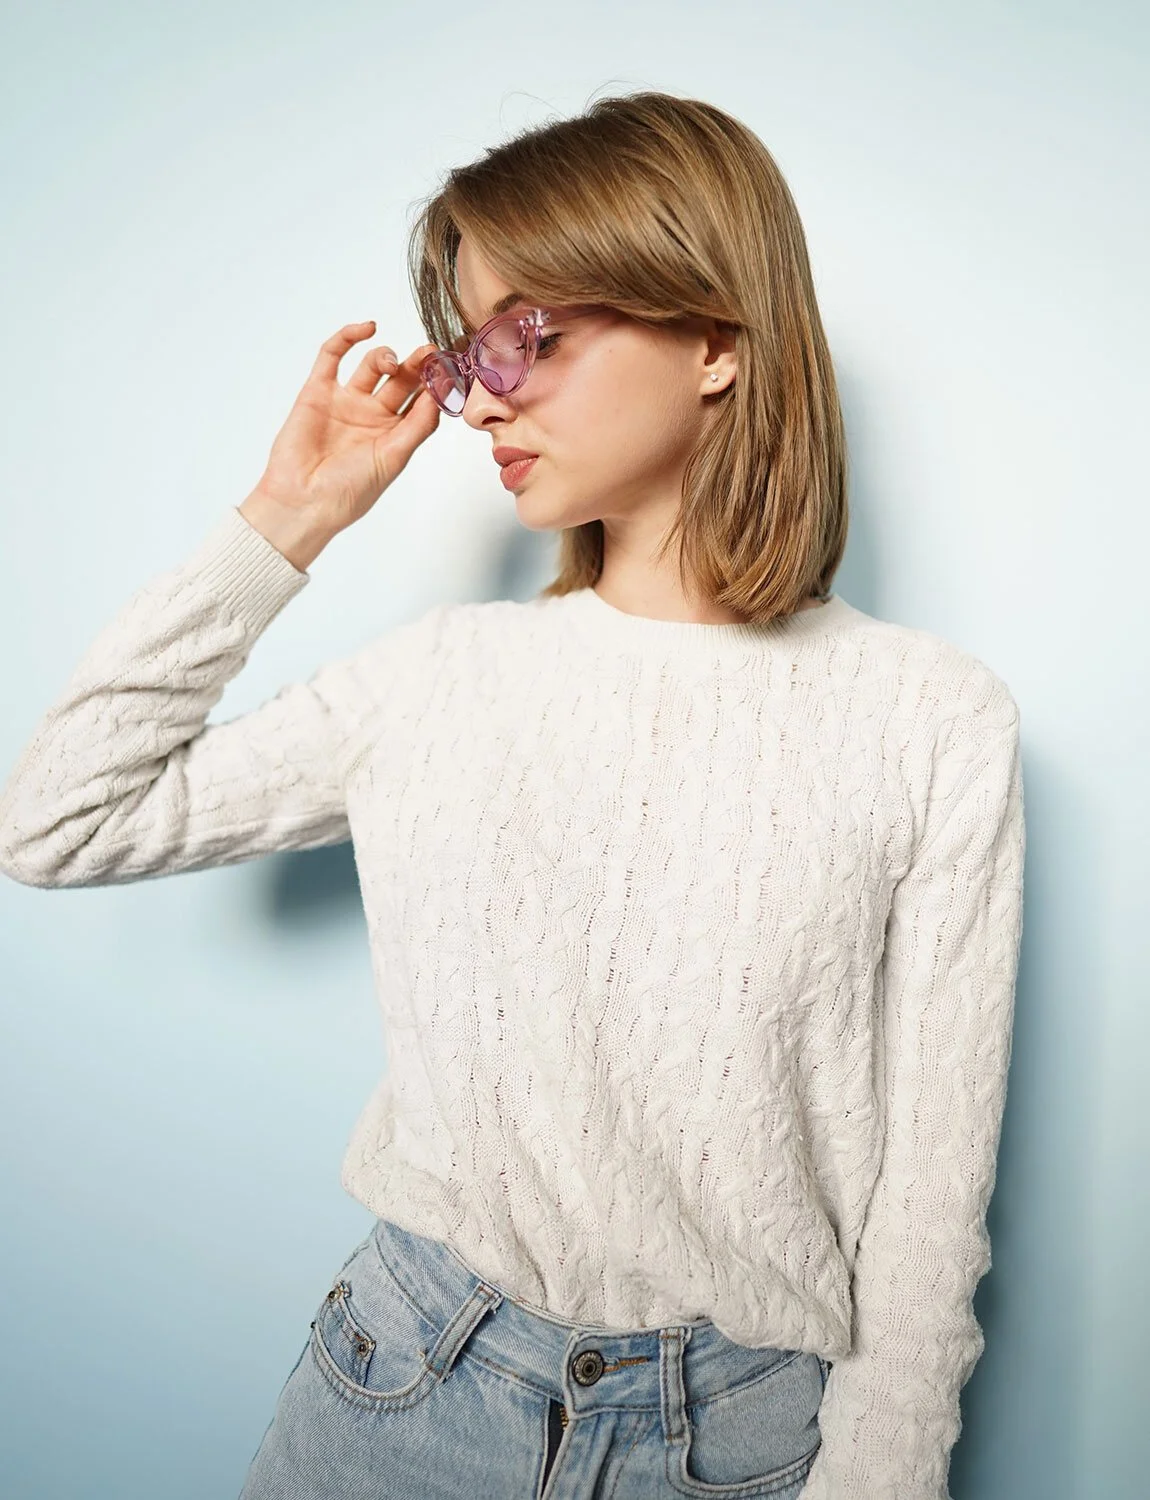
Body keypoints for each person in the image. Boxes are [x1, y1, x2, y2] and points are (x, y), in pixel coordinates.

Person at [0, 90, 1025, 1500]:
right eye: (467, 351)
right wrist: (288, 517)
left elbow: (928, 1209)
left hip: (736, 1440)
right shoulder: (439, 677)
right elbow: (56, 820)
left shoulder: (928, 719)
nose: (478, 398)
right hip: (400, 1389)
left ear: (716, 339)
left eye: (525, 339)